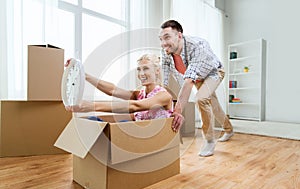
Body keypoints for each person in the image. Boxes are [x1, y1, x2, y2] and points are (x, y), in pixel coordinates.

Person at [159, 19, 233, 157]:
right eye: (161, 39)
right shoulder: (166, 50)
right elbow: (165, 70)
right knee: (213, 104)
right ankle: (229, 129)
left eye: (167, 37)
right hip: (198, 77)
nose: (163, 43)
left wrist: (177, 112)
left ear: (179, 35)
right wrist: (160, 91)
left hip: (214, 72)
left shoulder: (197, 46)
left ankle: (209, 141)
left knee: (201, 98)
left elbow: (188, 82)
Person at [65, 54, 174, 122]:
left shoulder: (164, 96)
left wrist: (92, 106)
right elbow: (112, 90)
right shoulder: (140, 94)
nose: (141, 74)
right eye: (139, 69)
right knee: (94, 120)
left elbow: (136, 106)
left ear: (157, 71)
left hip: (154, 139)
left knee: (123, 125)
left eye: (145, 69)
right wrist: (85, 75)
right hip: (140, 135)